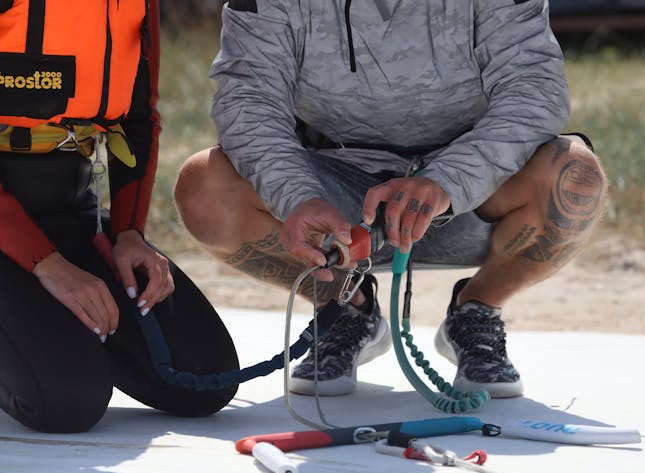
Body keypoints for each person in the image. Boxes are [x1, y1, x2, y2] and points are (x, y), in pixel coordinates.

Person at [174, 0, 606, 399]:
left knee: (576, 179)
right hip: (334, 180)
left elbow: (535, 89)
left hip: (469, 183)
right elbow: (248, 99)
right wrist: (298, 197)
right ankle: (346, 309)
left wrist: (446, 180)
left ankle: (476, 312)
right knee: (204, 190)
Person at [0, 0, 239, 432]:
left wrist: (128, 234)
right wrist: (45, 263)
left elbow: (140, 121)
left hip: (68, 210)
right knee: (67, 401)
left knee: (205, 378)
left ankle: (11, 330)